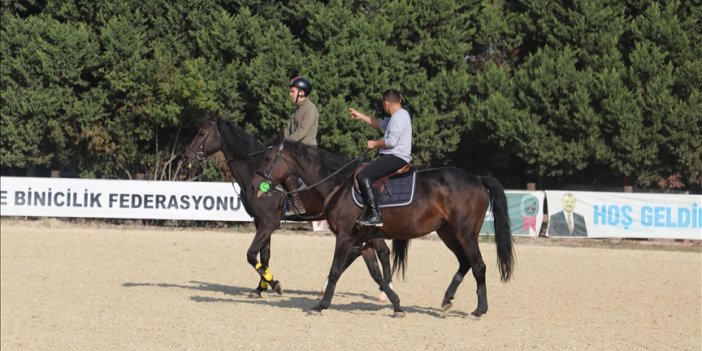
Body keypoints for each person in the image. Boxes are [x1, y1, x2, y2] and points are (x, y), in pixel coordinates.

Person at [349, 89, 412, 226]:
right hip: (394, 156)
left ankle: (374, 214)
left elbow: (391, 142)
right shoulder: (398, 116)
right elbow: (379, 123)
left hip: (396, 157)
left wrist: (374, 144)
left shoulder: (399, 117)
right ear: (399, 101)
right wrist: (360, 116)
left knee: (363, 175)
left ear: (386, 104)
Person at [283, 76, 319, 216]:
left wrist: (285, 142)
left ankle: (297, 205)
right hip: (294, 151)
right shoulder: (297, 110)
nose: (290, 94)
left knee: (290, 175)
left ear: (301, 93)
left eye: (292, 91)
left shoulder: (310, 109)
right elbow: (288, 129)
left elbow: (302, 132)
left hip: (307, 153)